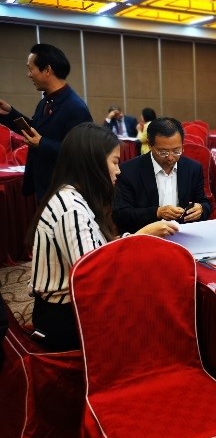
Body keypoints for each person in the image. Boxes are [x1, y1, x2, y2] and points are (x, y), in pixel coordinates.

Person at [28, 123, 178, 351]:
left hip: (71, 308)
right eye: (115, 162)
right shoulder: (71, 208)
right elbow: (94, 274)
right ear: (93, 163)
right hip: (65, 317)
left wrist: (138, 237)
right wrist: (141, 236)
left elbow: (97, 250)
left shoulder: (73, 197)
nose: (119, 171)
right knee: (155, 312)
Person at [0, 43, 92, 201]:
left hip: (63, 189)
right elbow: (35, 131)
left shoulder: (75, 107)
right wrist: (9, 113)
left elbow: (82, 152)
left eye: (31, 69)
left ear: (47, 70)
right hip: (44, 185)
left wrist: (42, 143)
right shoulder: (46, 101)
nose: (29, 75)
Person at [113, 117, 211, 234]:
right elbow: (120, 215)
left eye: (176, 151)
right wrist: (157, 212)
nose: (170, 157)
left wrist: (201, 209)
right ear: (150, 145)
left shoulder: (193, 168)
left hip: (183, 236)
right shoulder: (128, 171)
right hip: (145, 238)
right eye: (163, 152)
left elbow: (204, 202)